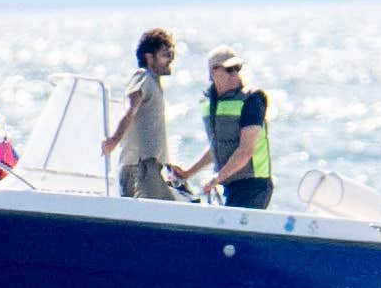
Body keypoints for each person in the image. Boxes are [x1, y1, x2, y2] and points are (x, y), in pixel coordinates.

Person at [180, 45, 274, 209]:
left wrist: (216, 178)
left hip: (254, 185)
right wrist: (187, 173)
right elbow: (217, 147)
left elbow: (246, 150)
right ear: (212, 72)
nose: (235, 74)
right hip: (230, 185)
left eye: (237, 68)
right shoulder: (210, 104)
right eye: (229, 69)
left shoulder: (252, 99)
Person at [100, 28, 179, 200]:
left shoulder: (154, 83)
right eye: (166, 54)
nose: (171, 59)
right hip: (140, 168)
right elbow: (130, 109)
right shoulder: (142, 77)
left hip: (151, 167)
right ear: (149, 57)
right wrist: (114, 140)